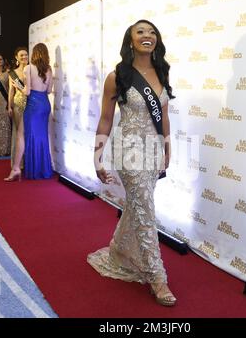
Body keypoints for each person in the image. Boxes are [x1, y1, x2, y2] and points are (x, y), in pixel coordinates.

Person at [87, 20, 177, 306]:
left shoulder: (162, 70)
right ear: (130, 40)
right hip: (129, 151)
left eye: (152, 32)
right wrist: (97, 155)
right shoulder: (118, 76)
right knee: (146, 210)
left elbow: (163, 113)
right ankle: (157, 277)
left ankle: (119, 252)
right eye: (141, 32)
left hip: (152, 150)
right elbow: (105, 118)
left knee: (139, 205)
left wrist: (167, 144)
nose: (147, 36)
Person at [4, 43, 53, 181]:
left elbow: (27, 91)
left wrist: (17, 86)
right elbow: (49, 91)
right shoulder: (49, 69)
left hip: (34, 105)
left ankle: (16, 169)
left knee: (21, 134)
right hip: (45, 104)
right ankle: (42, 169)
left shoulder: (28, 68)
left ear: (34, 54)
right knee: (41, 136)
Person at [8, 47, 28, 170]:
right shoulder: (13, 73)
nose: (24, 57)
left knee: (28, 133)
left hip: (31, 105)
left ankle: (29, 162)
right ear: (16, 57)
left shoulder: (32, 70)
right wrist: (9, 106)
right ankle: (18, 164)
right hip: (18, 105)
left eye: (26, 55)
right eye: (21, 55)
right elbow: (11, 91)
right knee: (18, 134)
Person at [0, 53, 11, 156]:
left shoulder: (8, 73)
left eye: (1, 59)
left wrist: (9, 104)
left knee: (5, 126)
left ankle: (5, 150)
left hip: (4, 101)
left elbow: (10, 90)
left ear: (4, 61)